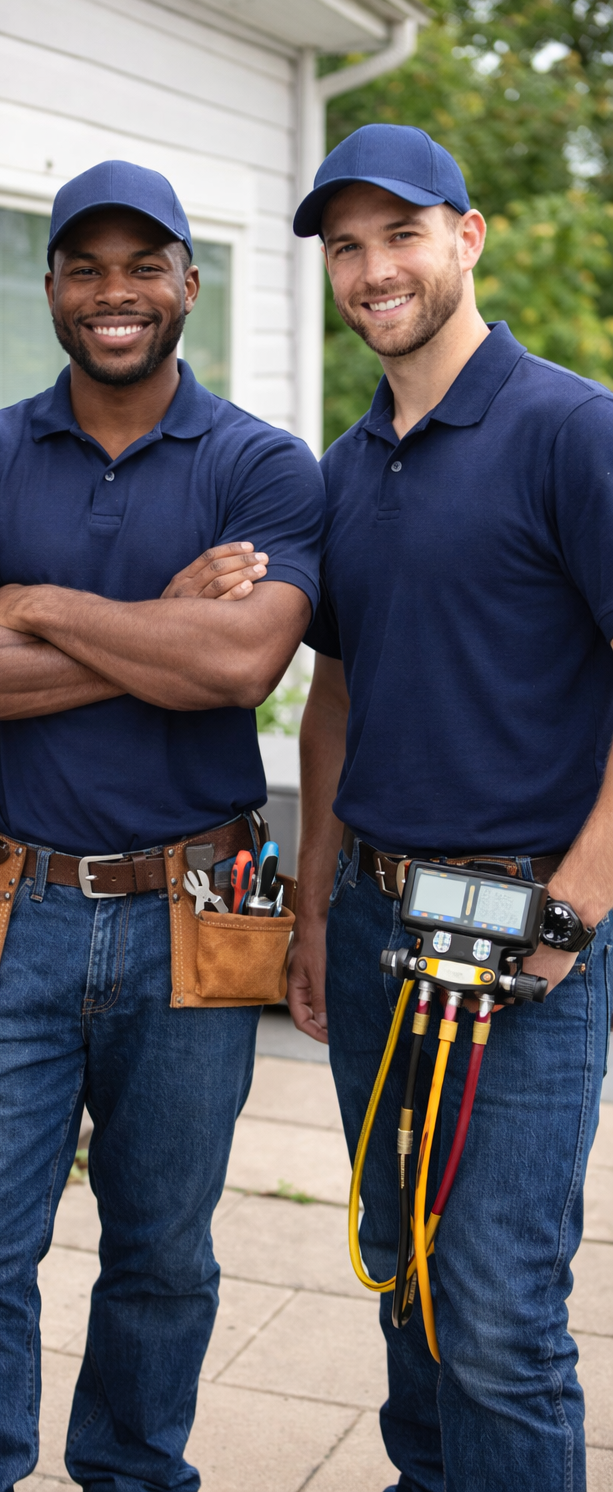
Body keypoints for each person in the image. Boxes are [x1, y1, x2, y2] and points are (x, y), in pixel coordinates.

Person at [0, 159, 325, 1491]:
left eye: (146, 265)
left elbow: (243, 668)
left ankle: (135, 1474)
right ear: (55, 287)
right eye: (85, 266)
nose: (114, 291)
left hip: (207, 903)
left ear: (191, 282)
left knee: (164, 1255)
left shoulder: (263, 465)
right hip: (1, 901)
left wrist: (37, 603)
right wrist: (161, 625)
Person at [287, 123, 613, 1492]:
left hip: (523, 938)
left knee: (495, 1320)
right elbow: (337, 704)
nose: (374, 270)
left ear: (466, 238)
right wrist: (310, 912)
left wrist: (576, 907)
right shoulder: (349, 468)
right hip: (374, 931)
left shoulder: (571, 430)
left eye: (400, 235)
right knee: (407, 1282)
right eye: (348, 247)